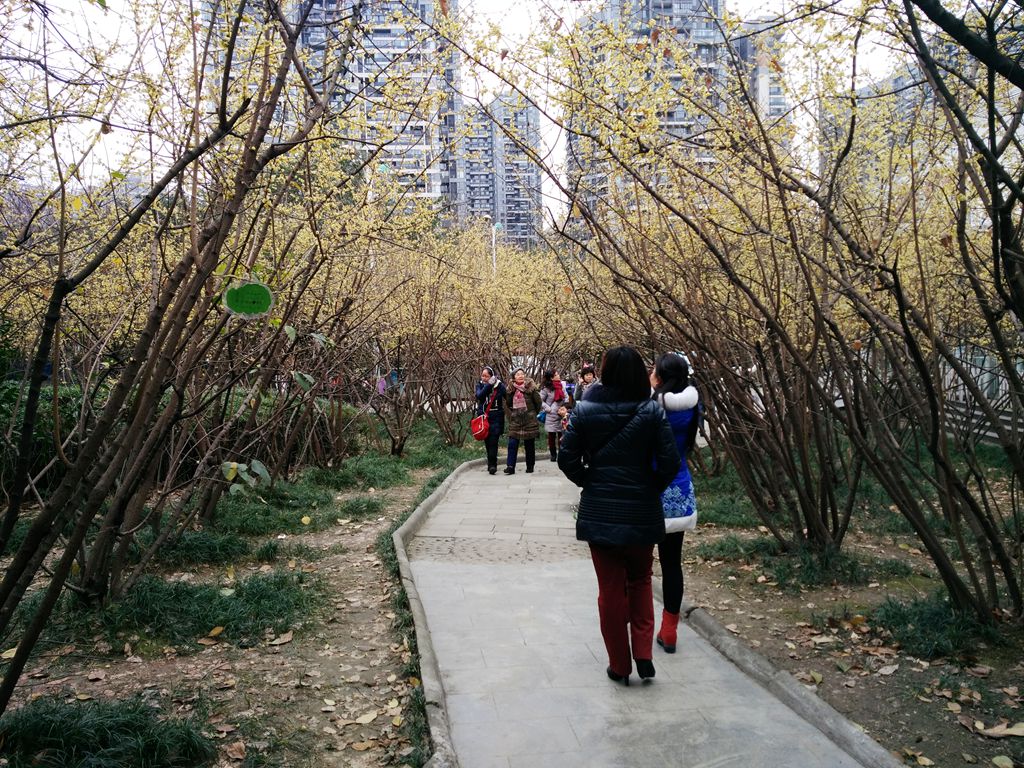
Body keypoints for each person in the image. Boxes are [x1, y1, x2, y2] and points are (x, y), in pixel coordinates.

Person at [558, 346, 681, 685]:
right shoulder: (652, 411)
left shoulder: (585, 410)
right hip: (642, 511)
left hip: (600, 512)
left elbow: (566, 459)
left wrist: (590, 481)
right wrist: (649, 487)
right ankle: (643, 654)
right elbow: (670, 462)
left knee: (610, 589)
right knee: (641, 580)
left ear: (606, 372)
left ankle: (620, 665)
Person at [650, 353, 700, 653]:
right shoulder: (693, 405)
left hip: (649, 488)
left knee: (640, 564)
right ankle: (669, 631)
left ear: (661, 376)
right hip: (679, 489)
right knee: (672, 563)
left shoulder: (652, 407)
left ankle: (640, 625)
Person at [503, 367, 542, 474]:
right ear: (514, 377)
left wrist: (532, 414)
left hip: (529, 420)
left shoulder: (530, 388)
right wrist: (513, 415)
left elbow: (538, 403)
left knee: (529, 445)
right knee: (512, 443)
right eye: (518, 374)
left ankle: (530, 466)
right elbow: (508, 403)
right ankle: (510, 466)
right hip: (516, 420)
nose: (520, 376)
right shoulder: (510, 389)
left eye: (522, 374)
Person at [475, 366, 507, 475]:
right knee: (487, 442)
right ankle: (490, 463)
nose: (484, 378)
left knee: (493, 441)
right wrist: (489, 384)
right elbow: (480, 396)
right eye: (482, 376)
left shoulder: (499, 386)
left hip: (496, 417)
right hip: (484, 418)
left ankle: (493, 465)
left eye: (486, 376)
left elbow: (507, 397)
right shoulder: (479, 385)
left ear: (492, 376)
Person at [539, 369, 568, 462]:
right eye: (556, 375)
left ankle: (561, 454)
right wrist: (548, 409)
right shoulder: (546, 388)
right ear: (551, 378)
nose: (558, 375)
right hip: (551, 415)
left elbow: (566, 397)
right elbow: (540, 400)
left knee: (561, 435)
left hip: (561, 413)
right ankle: (553, 454)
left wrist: (564, 407)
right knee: (551, 435)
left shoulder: (562, 385)